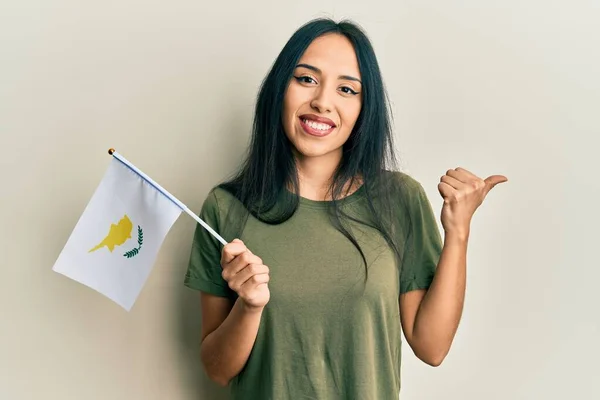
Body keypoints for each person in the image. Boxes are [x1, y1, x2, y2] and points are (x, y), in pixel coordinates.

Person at [183, 17, 507, 399]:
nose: (322, 101)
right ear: (278, 90)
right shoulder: (227, 207)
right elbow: (217, 371)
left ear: (363, 109)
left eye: (347, 89)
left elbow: (431, 347)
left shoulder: (400, 199)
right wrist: (249, 308)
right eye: (306, 79)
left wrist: (458, 233)